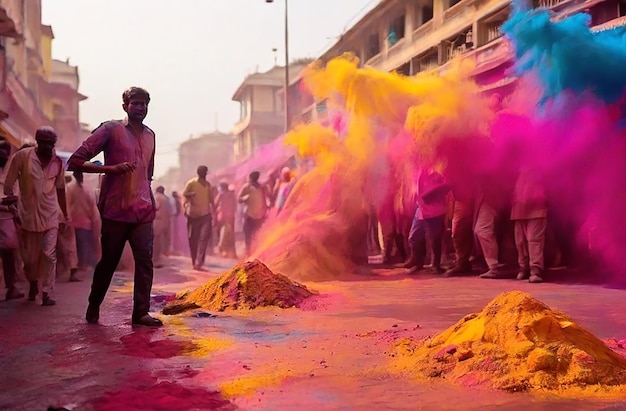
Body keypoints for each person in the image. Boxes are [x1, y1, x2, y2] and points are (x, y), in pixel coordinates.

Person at [68, 86, 162, 327]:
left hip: (143, 212)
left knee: (144, 262)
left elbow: (147, 175)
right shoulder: (111, 129)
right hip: (116, 211)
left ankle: (141, 313)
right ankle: (94, 304)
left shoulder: (151, 135)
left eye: (144, 104)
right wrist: (110, 169)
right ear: (125, 106)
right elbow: (75, 161)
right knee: (109, 261)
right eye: (135, 103)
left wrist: (151, 201)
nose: (140, 108)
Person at [4, 127, 68, 306]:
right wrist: (10, 200)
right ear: (37, 141)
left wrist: (65, 216)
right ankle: (33, 282)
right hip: (27, 215)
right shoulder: (22, 157)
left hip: (51, 214)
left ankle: (46, 292)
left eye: (51, 143)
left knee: (49, 254)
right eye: (44, 143)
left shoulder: (58, 162)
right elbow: (9, 183)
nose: (48, 147)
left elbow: (61, 189)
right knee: (30, 258)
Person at [404, 167, 450, 275]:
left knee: (435, 239)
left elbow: (445, 187)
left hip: (435, 211)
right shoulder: (419, 171)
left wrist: (430, 196)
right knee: (413, 237)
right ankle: (418, 263)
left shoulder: (439, 170)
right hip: (420, 209)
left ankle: (436, 265)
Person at [0, 140, 24, 300]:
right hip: (5, 215)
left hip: (6, 217)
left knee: (8, 253)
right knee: (8, 253)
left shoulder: (8, 171)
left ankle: (11, 286)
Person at [66, 170, 99, 273]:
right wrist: (94, 222)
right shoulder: (87, 189)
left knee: (75, 248)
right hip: (85, 224)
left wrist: (67, 219)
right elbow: (92, 208)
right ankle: (82, 268)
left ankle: (77, 269)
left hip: (74, 223)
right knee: (83, 247)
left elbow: (66, 206)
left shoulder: (70, 188)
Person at [182, 165, 213, 270]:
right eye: (202, 172)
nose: (204, 174)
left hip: (206, 215)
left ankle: (199, 262)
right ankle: (194, 260)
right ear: (199, 173)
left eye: (205, 172)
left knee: (203, 238)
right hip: (193, 215)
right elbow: (184, 194)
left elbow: (211, 200)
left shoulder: (208, 185)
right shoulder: (191, 183)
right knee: (193, 239)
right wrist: (191, 194)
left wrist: (215, 213)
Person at [238, 171, 269, 255]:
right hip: (248, 215)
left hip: (259, 215)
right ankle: (249, 252)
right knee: (248, 235)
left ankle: (256, 253)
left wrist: (265, 209)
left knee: (257, 235)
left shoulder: (262, 187)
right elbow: (239, 199)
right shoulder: (246, 187)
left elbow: (265, 199)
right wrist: (245, 197)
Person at [214, 181, 237, 258]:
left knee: (222, 232)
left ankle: (222, 248)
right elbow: (235, 206)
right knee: (230, 234)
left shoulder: (221, 194)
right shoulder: (232, 195)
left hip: (222, 216)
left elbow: (215, 203)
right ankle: (229, 252)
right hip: (230, 216)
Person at [153, 186, 172, 267]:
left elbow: (155, 207)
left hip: (157, 220)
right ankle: (158, 258)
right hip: (166, 221)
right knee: (161, 241)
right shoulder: (167, 199)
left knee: (155, 241)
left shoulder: (156, 197)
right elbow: (171, 211)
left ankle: (154, 260)